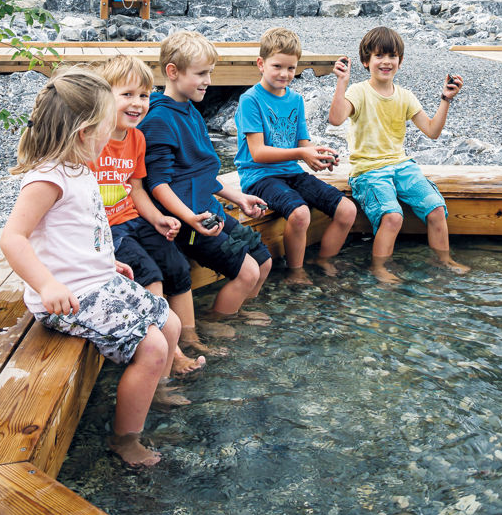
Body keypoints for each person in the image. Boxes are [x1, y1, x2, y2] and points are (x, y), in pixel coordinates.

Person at [0, 69, 182, 468]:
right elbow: (12, 238)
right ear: (84, 132)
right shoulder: (47, 178)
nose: (111, 134)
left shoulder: (81, 168)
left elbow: (82, 230)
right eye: (105, 127)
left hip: (97, 278)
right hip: (66, 295)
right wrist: (47, 284)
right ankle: (124, 439)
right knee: (151, 347)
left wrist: (107, 260)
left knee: (169, 323)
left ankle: (155, 391)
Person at [93, 54, 224, 377]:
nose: (137, 103)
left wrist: (157, 220)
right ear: (104, 96)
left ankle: (189, 335)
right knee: (148, 273)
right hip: (104, 229)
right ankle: (172, 354)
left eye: (143, 95)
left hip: (132, 218)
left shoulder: (136, 138)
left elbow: (136, 189)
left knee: (177, 265)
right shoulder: (94, 140)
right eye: (127, 95)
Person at [142, 31, 273, 331]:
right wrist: (189, 218)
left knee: (263, 260)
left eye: (210, 73)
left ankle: (236, 310)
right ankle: (216, 325)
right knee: (247, 272)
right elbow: (158, 184)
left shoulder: (191, 111)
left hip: (209, 209)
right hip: (189, 221)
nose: (209, 81)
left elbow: (200, 174)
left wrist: (238, 197)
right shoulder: (159, 120)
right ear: (173, 72)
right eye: (201, 74)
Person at [328, 25, 470, 284]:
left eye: (392, 56)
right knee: (392, 217)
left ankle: (444, 261)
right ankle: (380, 268)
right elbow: (336, 119)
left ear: (400, 62)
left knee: (437, 209)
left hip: (402, 166)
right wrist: (341, 82)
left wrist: (445, 99)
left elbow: (432, 131)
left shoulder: (405, 96)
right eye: (379, 56)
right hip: (368, 170)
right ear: (365, 61)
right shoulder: (358, 91)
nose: (386, 61)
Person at [235, 27, 357, 285]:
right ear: (261, 64)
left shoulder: (296, 100)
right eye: (277, 66)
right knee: (300, 214)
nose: (284, 74)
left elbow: (303, 142)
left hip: (292, 172)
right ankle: (295, 272)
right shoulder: (251, 100)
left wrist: (317, 155)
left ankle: (323, 260)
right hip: (259, 177)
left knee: (347, 209)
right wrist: (302, 153)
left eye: (291, 68)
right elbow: (257, 153)